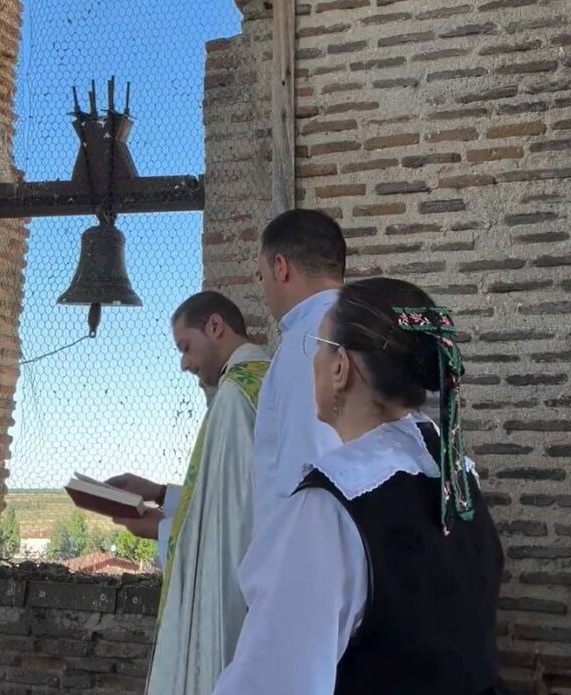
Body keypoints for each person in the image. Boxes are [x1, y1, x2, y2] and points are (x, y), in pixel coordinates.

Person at [214, 278, 506, 695]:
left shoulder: (330, 507)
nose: (313, 357)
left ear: (340, 367)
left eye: (319, 343)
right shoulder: (456, 476)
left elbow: (273, 682)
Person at [106, 291, 270, 695]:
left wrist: (158, 530)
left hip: (231, 606)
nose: (184, 363)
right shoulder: (266, 381)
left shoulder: (235, 397)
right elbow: (234, 496)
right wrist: (161, 493)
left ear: (215, 327)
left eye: (186, 347)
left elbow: (230, 528)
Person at [252, 208, 345, 534]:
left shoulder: (307, 343)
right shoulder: (368, 323)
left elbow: (309, 478)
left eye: (261, 276)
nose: (263, 294)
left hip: (316, 561)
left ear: (280, 267)